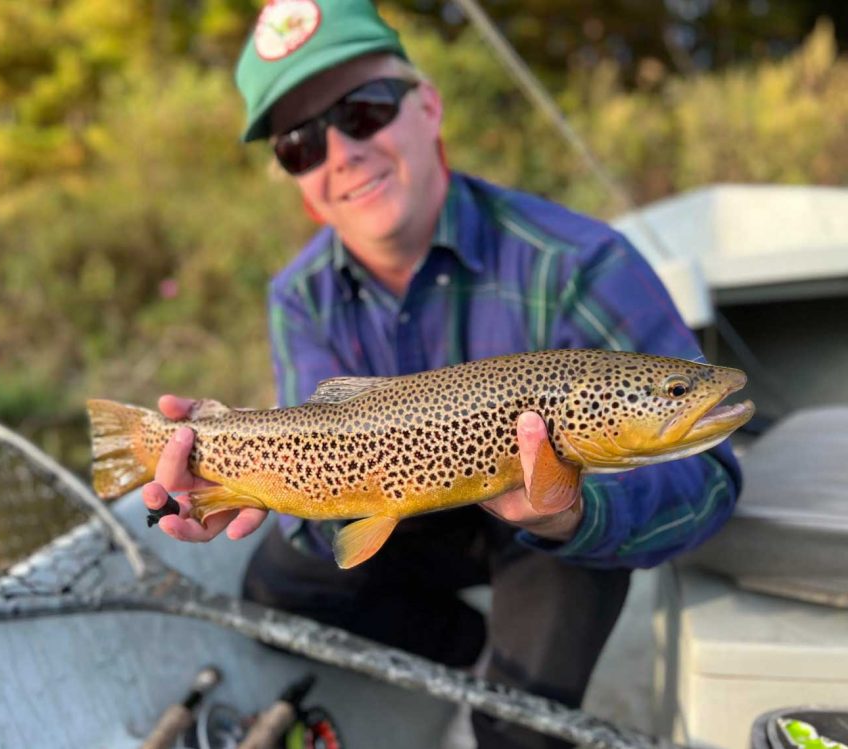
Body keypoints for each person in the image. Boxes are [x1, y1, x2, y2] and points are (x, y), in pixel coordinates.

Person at [141, 1, 742, 746]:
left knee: (518, 725)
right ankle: (463, 647)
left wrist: (567, 513)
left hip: (554, 532)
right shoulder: (299, 295)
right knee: (275, 588)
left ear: (428, 105)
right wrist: (226, 467)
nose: (341, 153)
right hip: (404, 510)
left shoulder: (579, 261)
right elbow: (324, 476)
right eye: (300, 142)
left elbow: (712, 479)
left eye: (362, 110)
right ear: (294, 175)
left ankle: (505, 696)